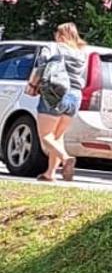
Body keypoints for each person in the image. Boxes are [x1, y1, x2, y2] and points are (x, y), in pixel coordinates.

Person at [25, 23, 88, 182]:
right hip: (75, 96)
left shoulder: (53, 47)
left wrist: (32, 85)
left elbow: (41, 67)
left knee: (46, 136)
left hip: (55, 92)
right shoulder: (81, 54)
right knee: (58, 136)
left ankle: (66, 158)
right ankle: (50, 173)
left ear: (60, 35)